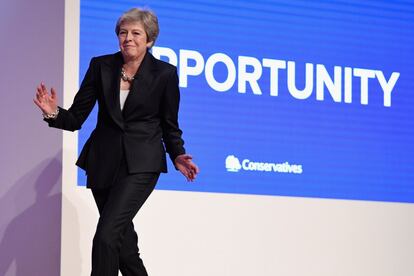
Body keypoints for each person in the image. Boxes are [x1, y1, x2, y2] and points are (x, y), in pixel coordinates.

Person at [33, 7, 199, 276]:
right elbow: (76, 118)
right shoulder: (101, 66)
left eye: (136, 33)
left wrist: (177, 154)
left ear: (149, 39)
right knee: (124, 249)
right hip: (103, 164)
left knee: (106, 237)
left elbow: (170, 124)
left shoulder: (164, 74)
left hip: (141, 165)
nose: (128, 38)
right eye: (123, 33)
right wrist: (53, 112)